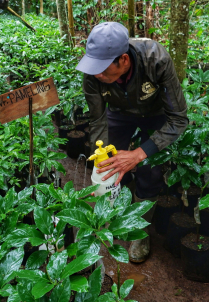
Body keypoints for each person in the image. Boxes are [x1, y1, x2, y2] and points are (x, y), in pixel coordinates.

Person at [76, 21, 188, 263]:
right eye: (94, 69)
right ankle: (120, 215)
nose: (98, 75)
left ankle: (140, 231)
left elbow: (178, 119)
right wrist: (103, 154)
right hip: (118, 113)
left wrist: (139, 153)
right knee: (114, 167)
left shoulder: (155, 59)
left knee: (150, 171)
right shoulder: (94, 72)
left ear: (124, 60)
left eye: (104, 70)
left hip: (156, 113)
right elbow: (97, 120)